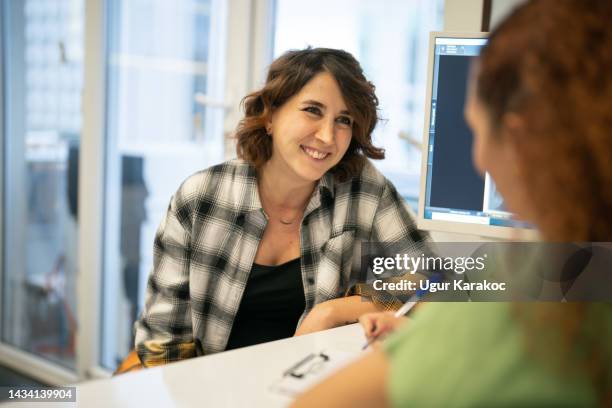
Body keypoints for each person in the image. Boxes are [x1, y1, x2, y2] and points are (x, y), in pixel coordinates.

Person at [291, 1, 612, 406]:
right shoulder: (205, 194)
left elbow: (426, 278)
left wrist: (435, 339)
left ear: (519, 143)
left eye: (475, 130)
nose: (325, 136)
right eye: (311, 112)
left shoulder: (520, 294)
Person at [133, 48, 429, 367]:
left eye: (343, 120)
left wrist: (332, 312)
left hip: (314, 392)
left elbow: (433, 282)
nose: (327, 136)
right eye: (313, 110)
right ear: (271, 115)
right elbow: (162, 343)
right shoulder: (200, 198)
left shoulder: (363, 189)